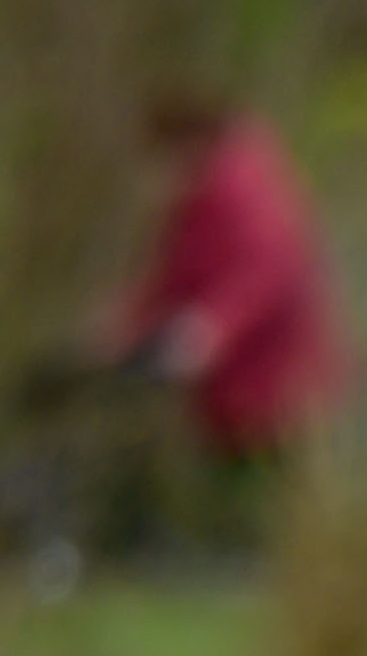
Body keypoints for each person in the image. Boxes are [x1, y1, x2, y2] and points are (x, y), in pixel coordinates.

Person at [99, 89, 343, 469]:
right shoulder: (200, 198)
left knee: (250, 479)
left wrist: (207, 329)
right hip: (225, 396)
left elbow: (267, 270)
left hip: (267, 389)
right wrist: (126, 330)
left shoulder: (242, 185)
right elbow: (172, 276)